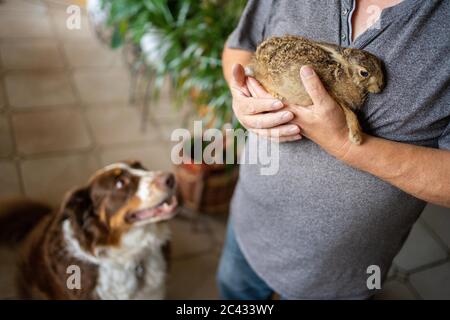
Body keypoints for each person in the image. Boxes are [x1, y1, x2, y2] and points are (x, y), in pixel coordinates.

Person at [217, 0, 450, 299]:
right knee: (233, 293)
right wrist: (242, 96)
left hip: (338, 273)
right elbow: (239, 49)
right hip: (249, 227)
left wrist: (346, 145)